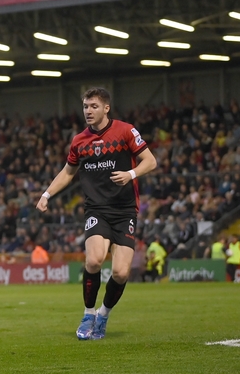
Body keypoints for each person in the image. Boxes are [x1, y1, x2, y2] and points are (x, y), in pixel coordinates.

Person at [36, 87, 157, 340]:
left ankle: (103, 314)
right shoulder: (79, 140)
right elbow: (68, 173)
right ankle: (88, 314)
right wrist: (47, 194)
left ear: (106, 108)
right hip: (97, 208)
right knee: (93, 260)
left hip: (124, 210)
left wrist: (130, 174)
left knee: (121, 273)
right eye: (85, 107)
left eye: (93, 106)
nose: (88, 111)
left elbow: (150, 161)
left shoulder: (125, 130)